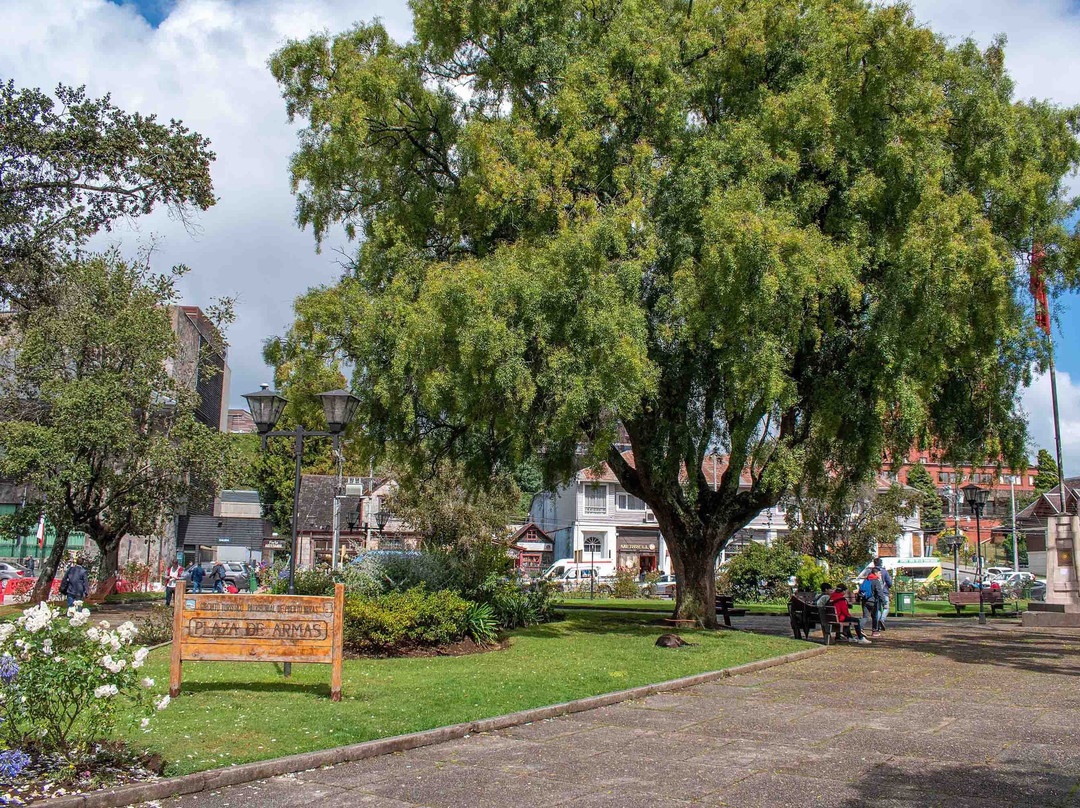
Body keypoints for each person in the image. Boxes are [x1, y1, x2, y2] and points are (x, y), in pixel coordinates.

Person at [860, 570, 886, 637]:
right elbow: (879, 592)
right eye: (879, 573)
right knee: (875, 616)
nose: (880, 574)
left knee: (865, 616)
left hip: (864, 600)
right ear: (875, 573)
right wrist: (884, 602)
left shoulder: (866, 579)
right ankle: (874, 631)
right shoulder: (875, 581)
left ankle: (860, 628)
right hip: (873, 601)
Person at [874, 558, 893, 630]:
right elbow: (889, 583)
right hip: (884, 592)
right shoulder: (884, 571)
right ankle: (882, 620)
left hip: (876, 592)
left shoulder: (872, 571)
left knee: (878, 609)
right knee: (886, 608)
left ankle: (878, 626)